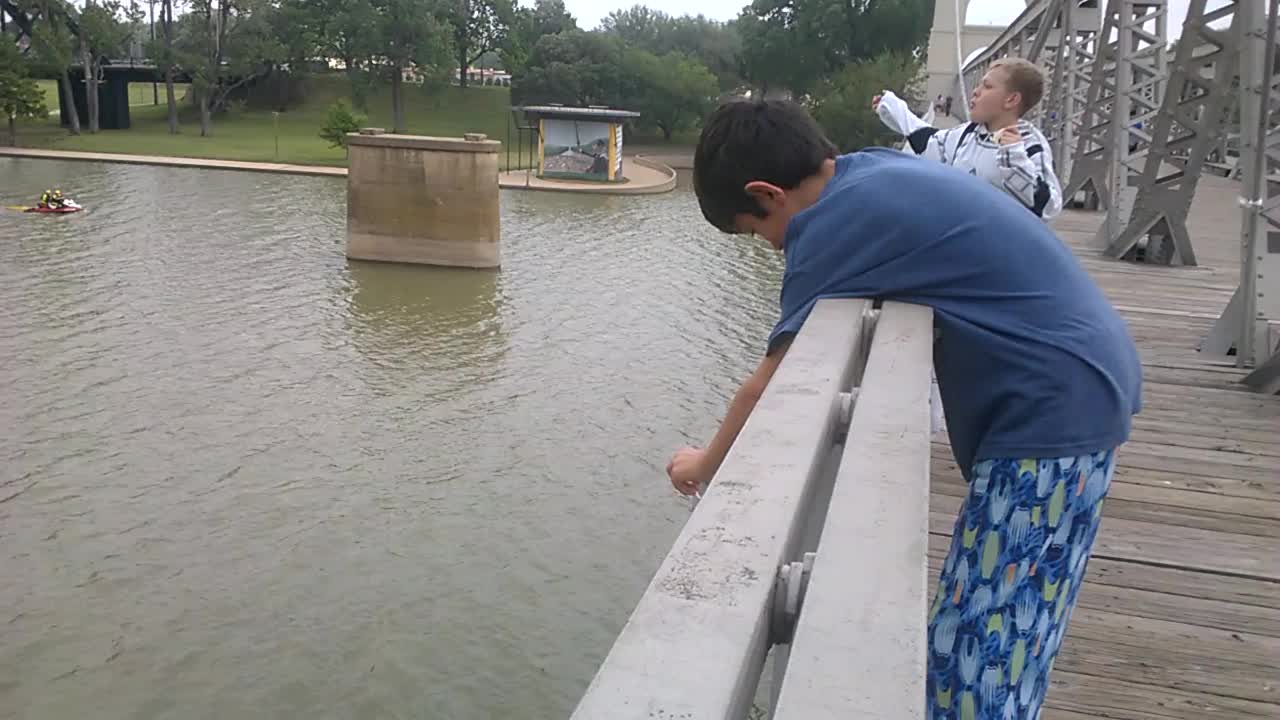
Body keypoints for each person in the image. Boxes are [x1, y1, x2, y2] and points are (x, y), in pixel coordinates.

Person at [667, 99, 1142, 719]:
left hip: (1050, 411)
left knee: (980, 651)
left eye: (758, 232)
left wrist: (703, 464)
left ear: (767, 192)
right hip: (1081, 384)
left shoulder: (830, 223)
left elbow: (767, 381)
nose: (772, 247)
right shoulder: (870, 172)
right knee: (1017, 624)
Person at [873, 58, 1063, 220]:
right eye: (978, 84)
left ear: (1011, 100)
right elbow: (927, 141)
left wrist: (1015, 160)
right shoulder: (967, 134)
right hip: (959, 240)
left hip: (1000, 251)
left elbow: (1049, 207)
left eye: (987, 86)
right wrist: (892, 109)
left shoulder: (1029, 144)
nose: (975, 91)